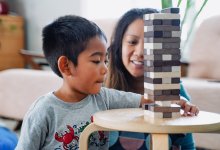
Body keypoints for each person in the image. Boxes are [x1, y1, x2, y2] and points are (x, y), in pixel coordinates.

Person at [15, 14, 151, 150]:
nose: (105, 69)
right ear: (66, 66)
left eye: (106, 61)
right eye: (96, 61)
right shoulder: (43, 111)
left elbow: (142, 100)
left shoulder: (105, 97)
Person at [106, 8, 199, 150]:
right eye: (132, 41)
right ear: (119, 46)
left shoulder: (176, 92)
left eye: (152, 43)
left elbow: (187, 146)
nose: (141, 52)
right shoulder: (103, 90)